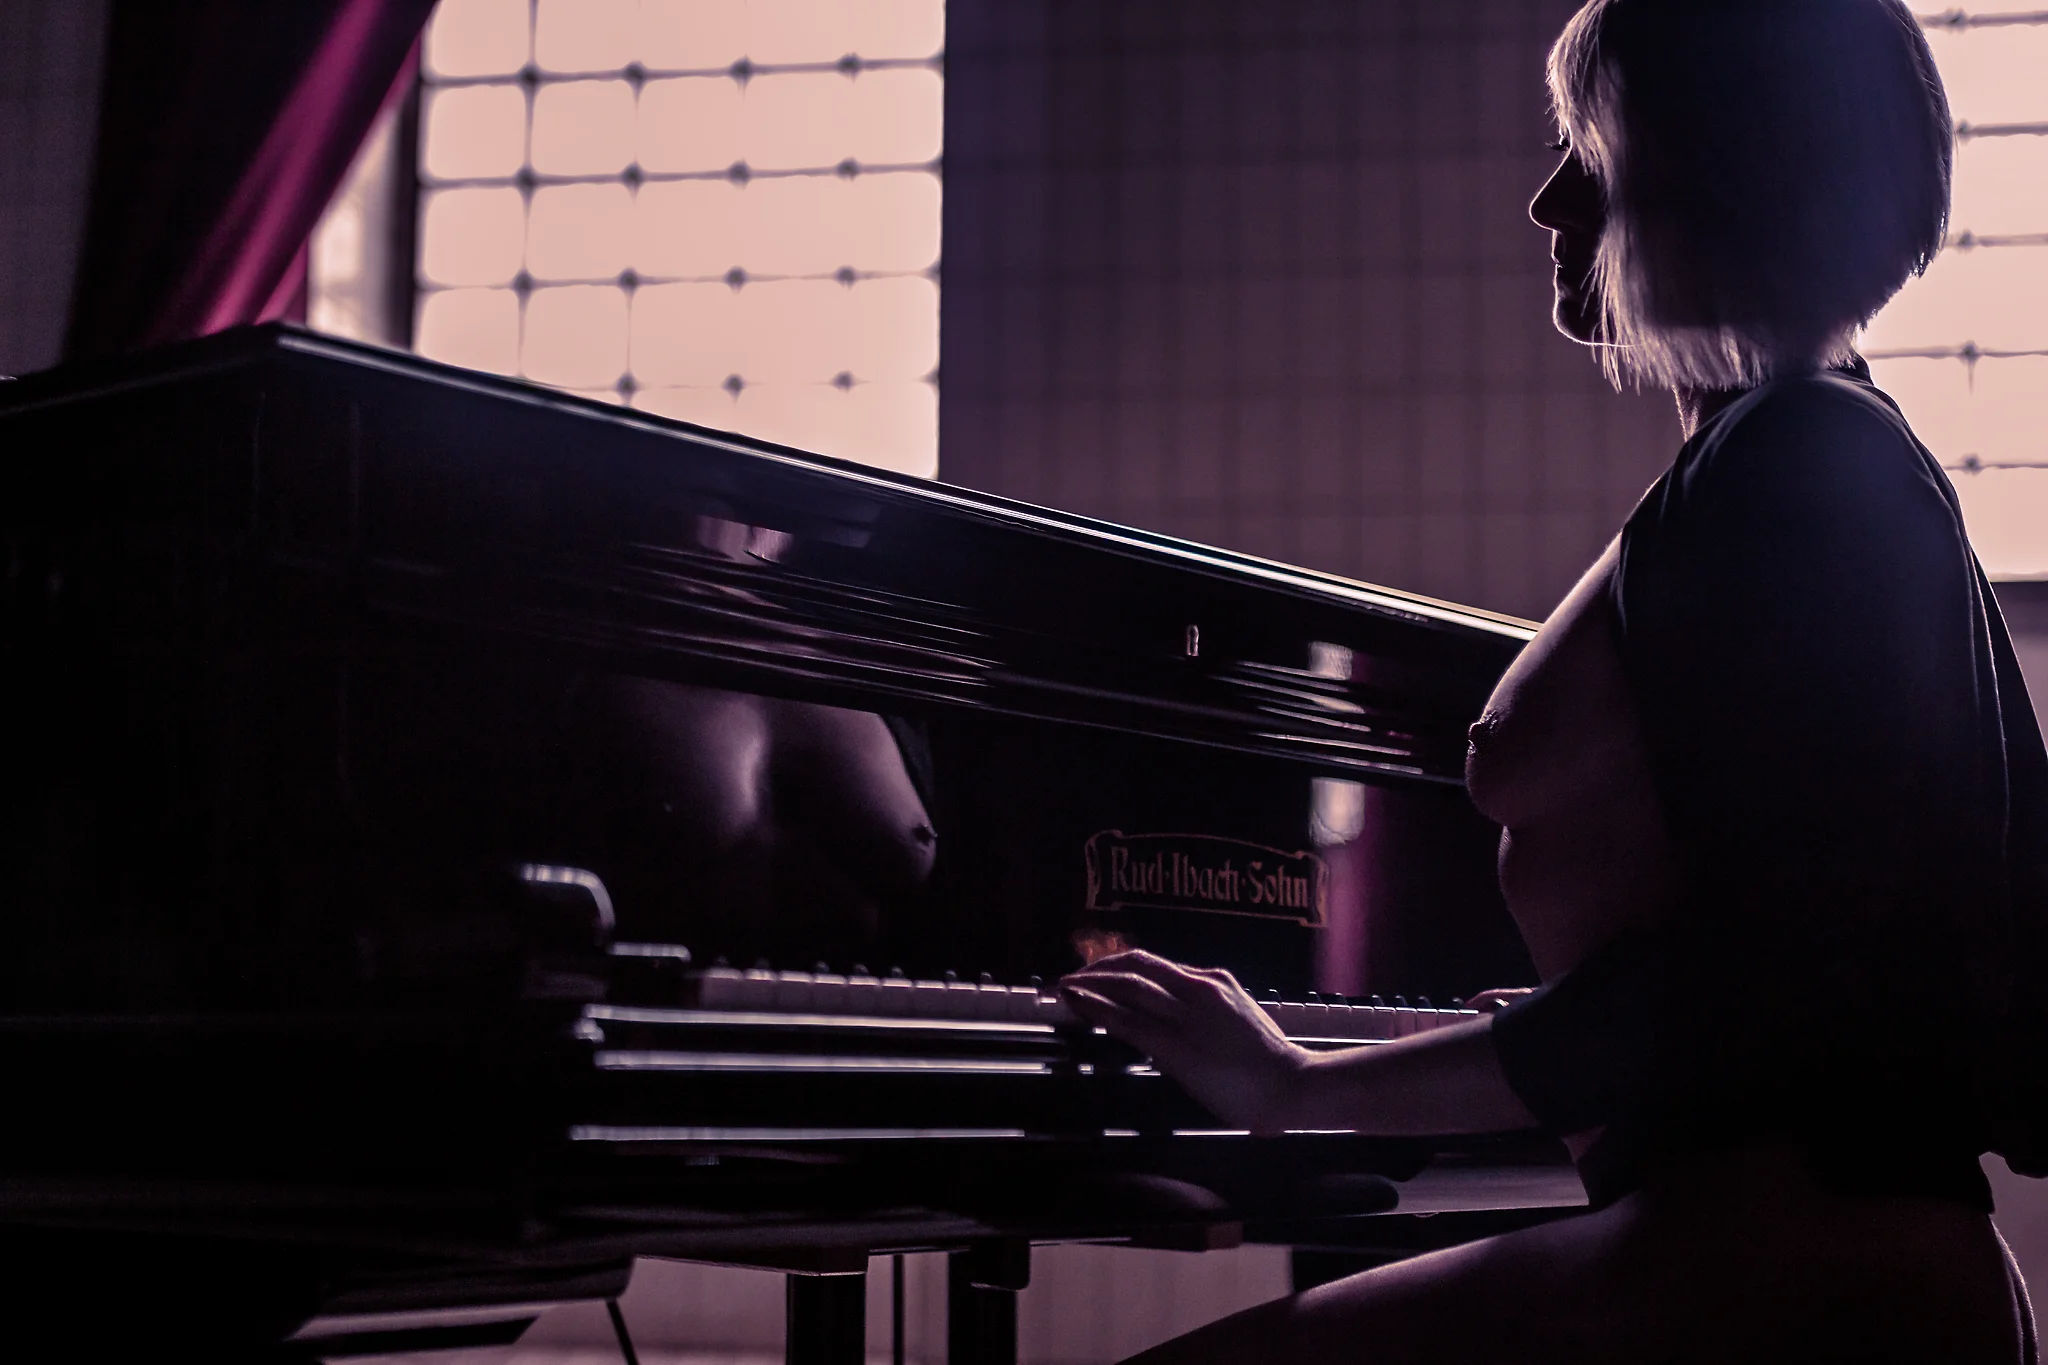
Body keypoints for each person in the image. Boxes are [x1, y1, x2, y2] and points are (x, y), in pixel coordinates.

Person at [1059, 1, 2048, 1359]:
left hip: (1780, 1272)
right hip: (1793, 1257)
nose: (1547, 203)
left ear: (1713, 174)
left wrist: (1301, 1086)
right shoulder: (1798, 452)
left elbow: (1767, 970)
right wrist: (1547, 1041)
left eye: (1593, 152)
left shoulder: (1800, 460)